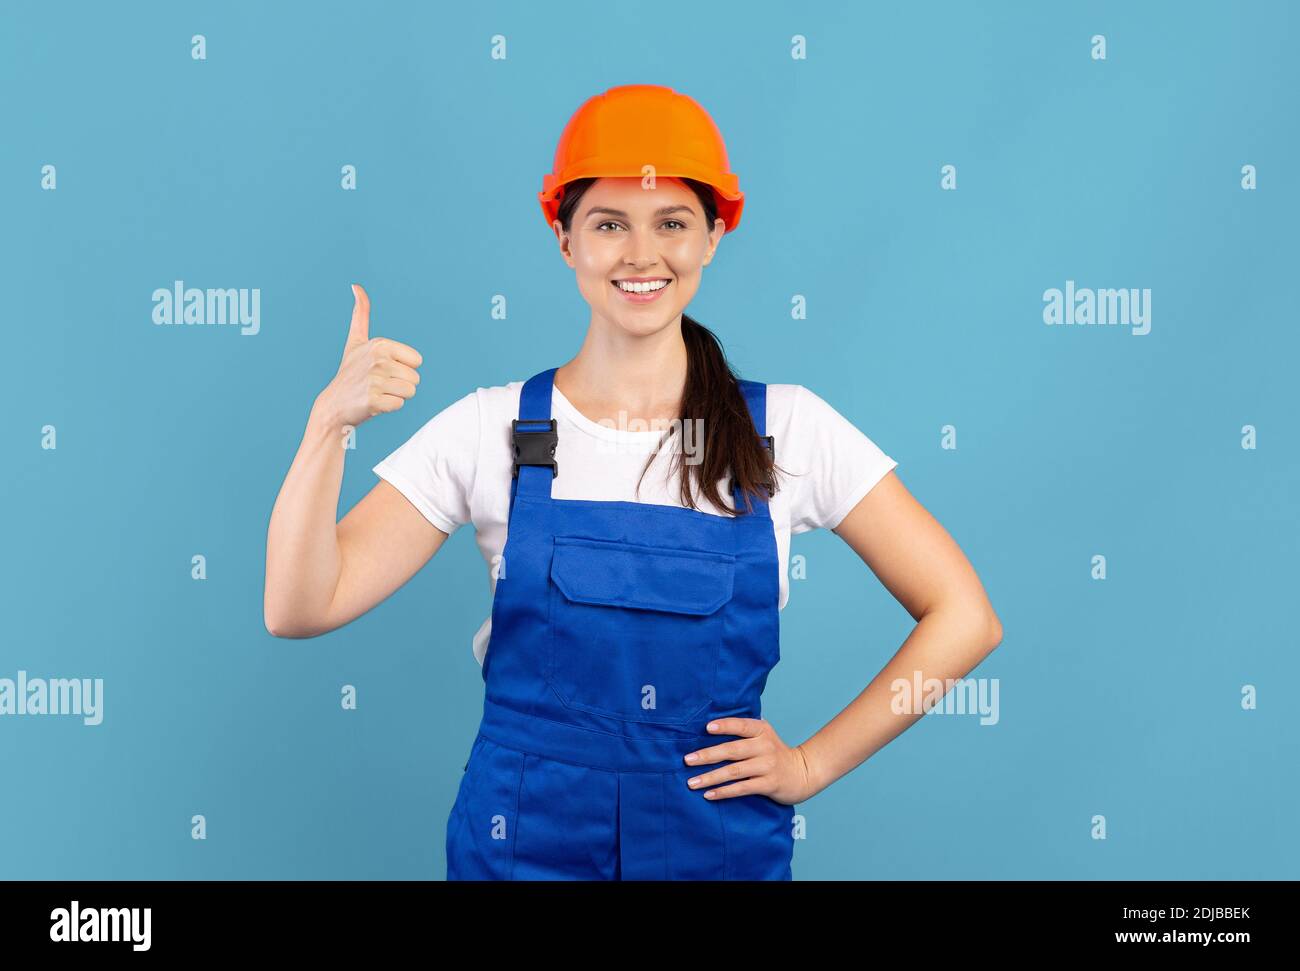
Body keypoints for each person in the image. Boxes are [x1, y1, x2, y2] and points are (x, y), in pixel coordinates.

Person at [264, 84, 1002, 880]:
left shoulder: (787, 431)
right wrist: (325, 429)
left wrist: (811, 765)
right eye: (608, 224)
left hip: (715, 844)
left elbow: (965, 616)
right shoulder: (493, 430)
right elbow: (301, 605)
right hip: (520, 843)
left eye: (673, 224)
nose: (640, 254)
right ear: (565, 238)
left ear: (714, 236)